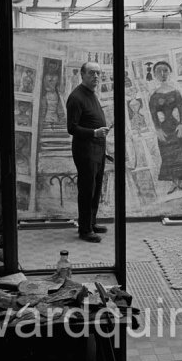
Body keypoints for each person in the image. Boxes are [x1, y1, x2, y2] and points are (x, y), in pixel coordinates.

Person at [66, 61, 110, 242]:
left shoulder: (91, 94)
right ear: (82, 75)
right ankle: (84, 230)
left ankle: (91, 223)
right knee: (86, 190)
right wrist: (94, 132)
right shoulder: (76, 97)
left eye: (99, 73)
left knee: (96, 188)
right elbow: (72, 128)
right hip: (86, 150)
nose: (96, 77)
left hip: (97, 149)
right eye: (92, 73)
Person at [148, 61, 182, 194]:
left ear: (169, 72)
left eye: (165, 71)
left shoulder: (176, 92)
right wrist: (157, 129)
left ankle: (180, 182)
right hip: (164, 130)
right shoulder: (154, 95)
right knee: (167, 156)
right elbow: (153, 114)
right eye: (159, 71)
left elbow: (181, 109)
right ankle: (174, 183)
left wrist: (181, 124)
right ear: (155, 74)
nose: (162, 74)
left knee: (181, 154)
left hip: (176, 127)